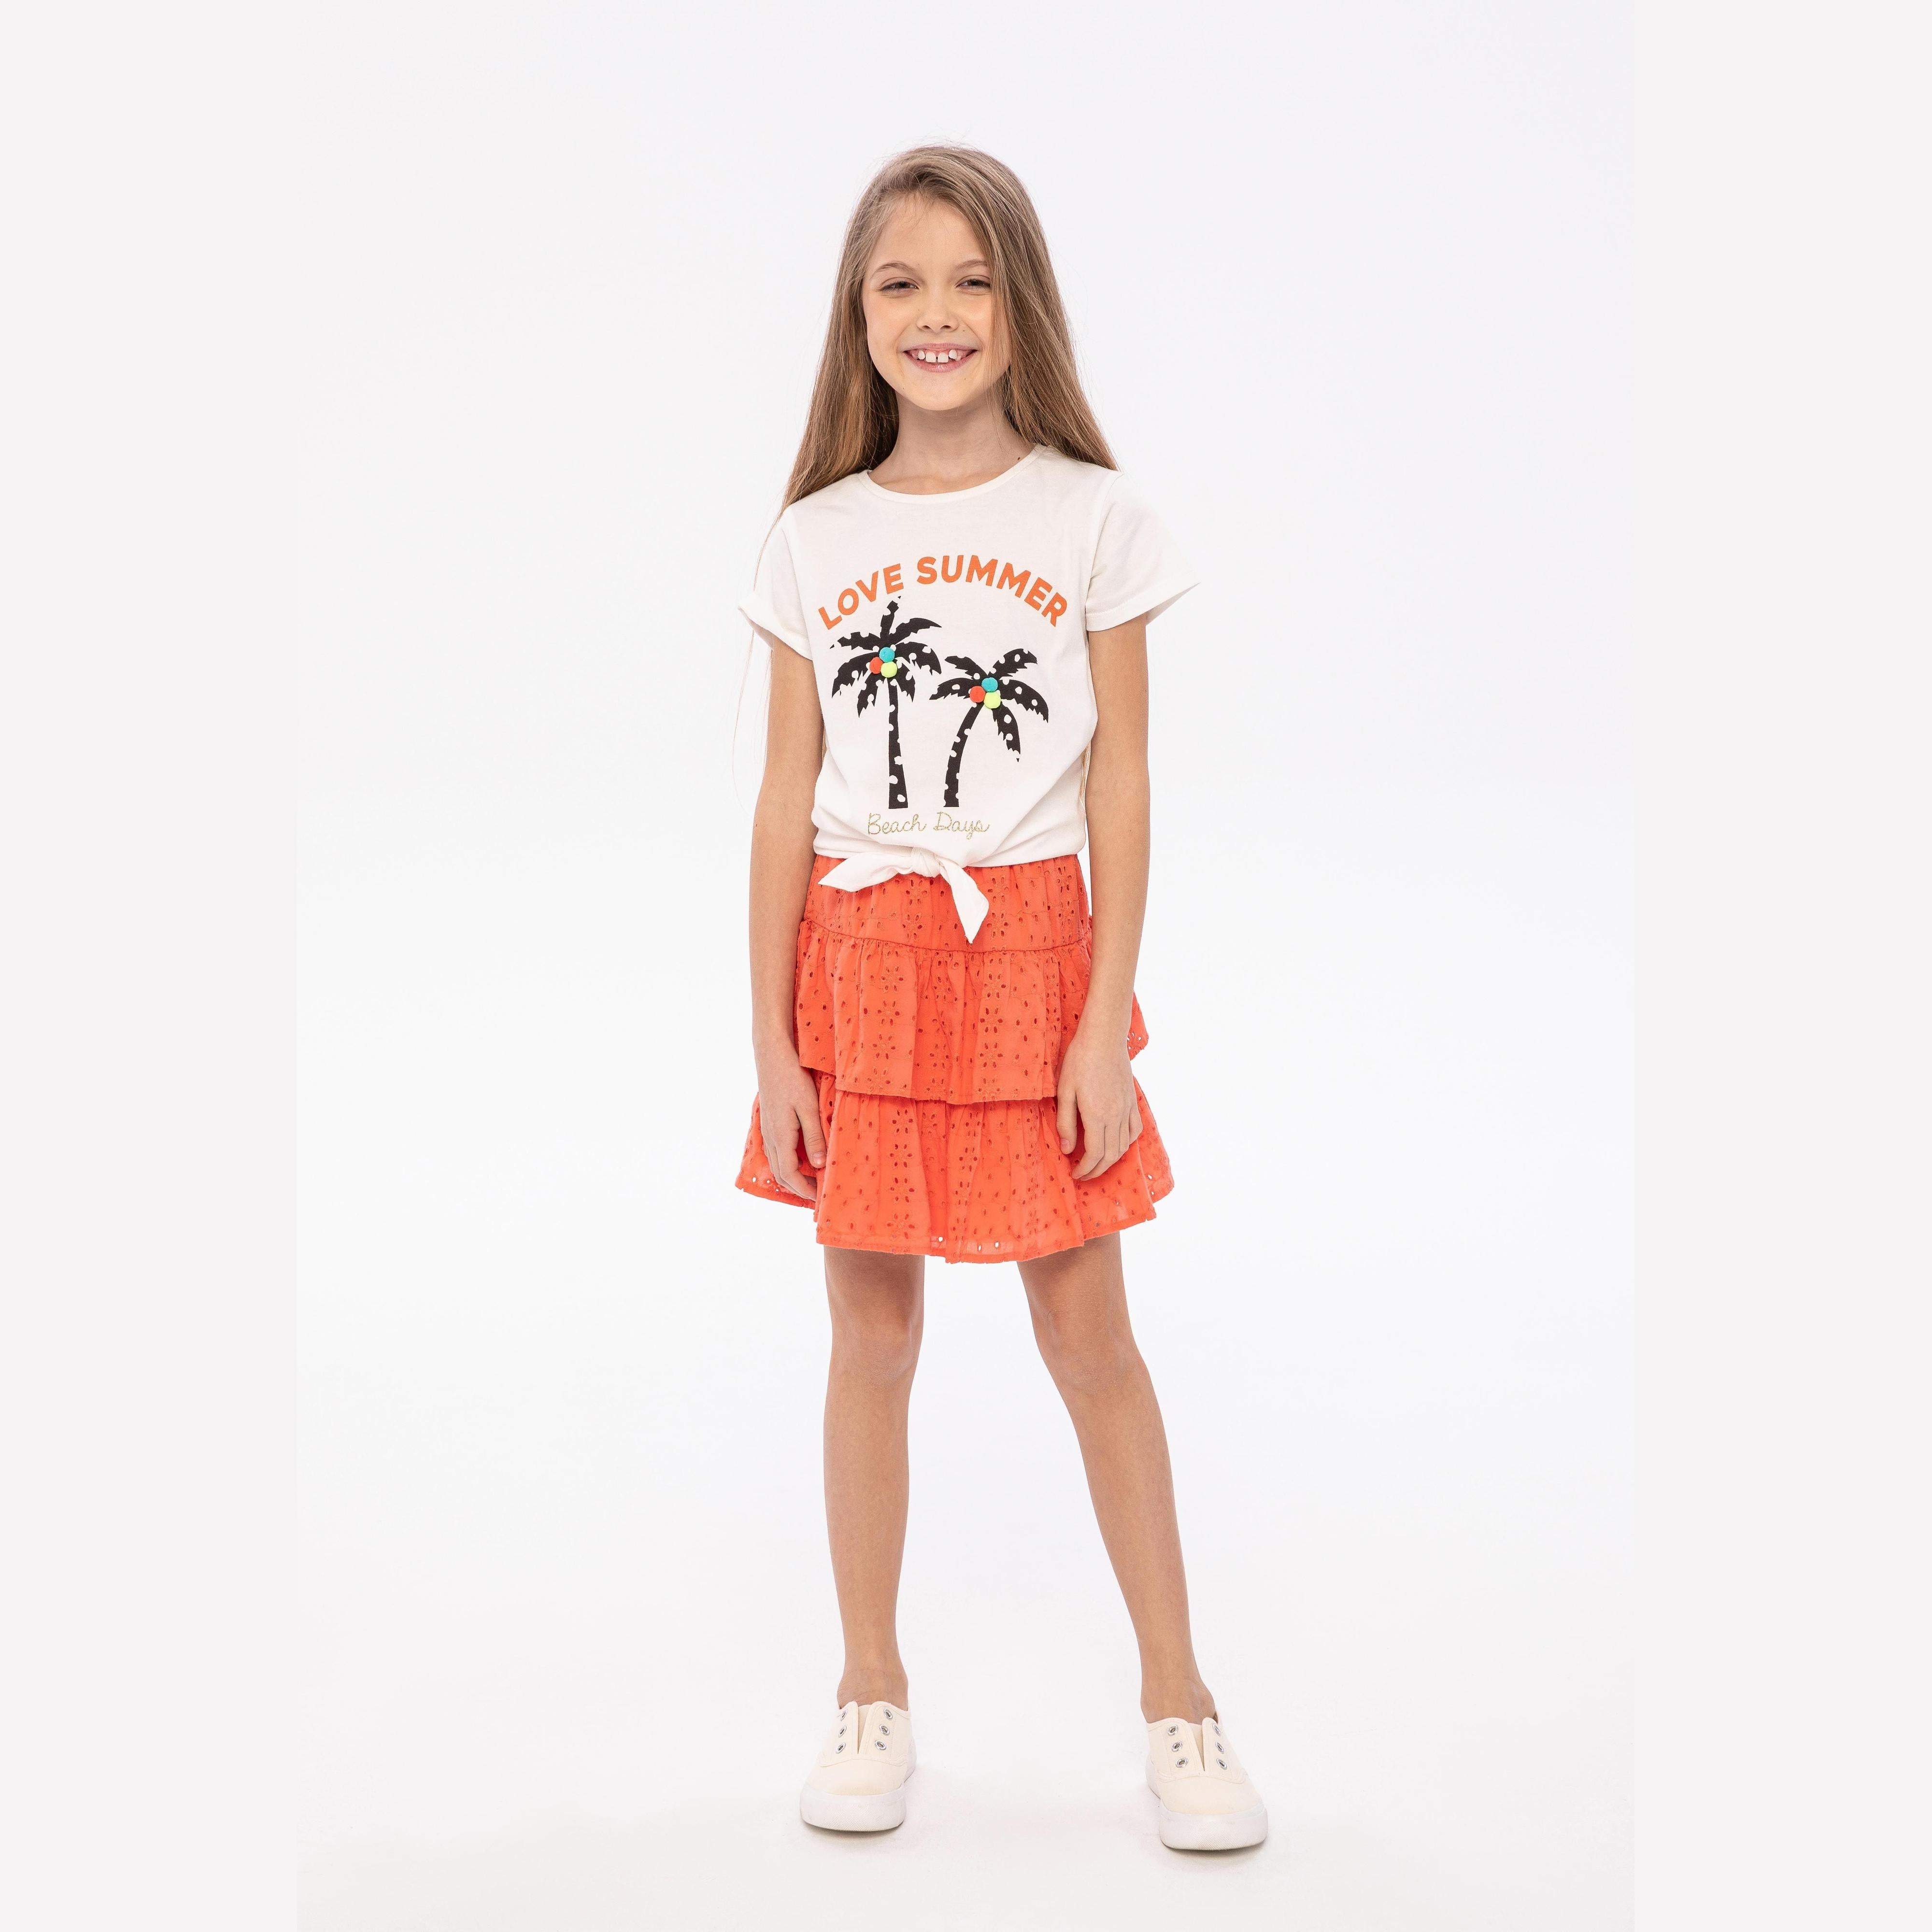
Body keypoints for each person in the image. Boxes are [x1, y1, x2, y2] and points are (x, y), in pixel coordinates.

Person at [735, 145, 1266, 1853]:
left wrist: (1106, 1015)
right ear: (859, 313)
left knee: (1088, 1336)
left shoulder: (1091, 515)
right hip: (861, 952)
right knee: (871, 1336)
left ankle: (1179, 1702)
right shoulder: (815, 540)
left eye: (969, 280)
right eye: (901, 283)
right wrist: (774, 1043)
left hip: (1034, 950)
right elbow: (777, 801)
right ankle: (867, 1685)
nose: (937, 315)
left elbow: (1122, 783)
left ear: (1018, 301)